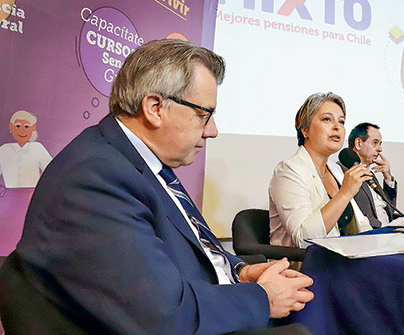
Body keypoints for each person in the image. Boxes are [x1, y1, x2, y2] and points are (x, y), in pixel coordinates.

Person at [0, 39, 313, 335]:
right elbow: (162, 317)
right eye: (204, 115)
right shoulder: (95, 178)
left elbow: (192, 247)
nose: (212, 131)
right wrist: (262, 298)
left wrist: (240, 273)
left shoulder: (136, 162)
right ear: (155, 108)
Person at [269, 92, 372, 248]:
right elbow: (303, 239)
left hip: (344, 260)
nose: (337, 126)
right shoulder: (288, 171)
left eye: (342, 121)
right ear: (305, 130)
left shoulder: (337, 171)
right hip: (305, 266)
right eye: (327, 119)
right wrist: (345, 193)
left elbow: (361, 224)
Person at [338, 123, 397, 228]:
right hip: (372, 234)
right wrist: (383, 228)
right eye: (375, 143)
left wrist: (388, 178)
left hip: (388, 231)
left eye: (380, 144)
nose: (380, 149)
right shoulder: (344, 173)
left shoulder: (370, 173)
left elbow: (390, 210)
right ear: (359, 143)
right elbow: (356, 215)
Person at [0, 110, 52, 188]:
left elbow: (51, 171)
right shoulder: (4, 149)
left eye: (26, 126)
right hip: (9, 194)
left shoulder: (37, 148)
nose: (22, 130)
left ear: (33, 128)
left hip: (32, 193)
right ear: (11, 127)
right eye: (17, 126)